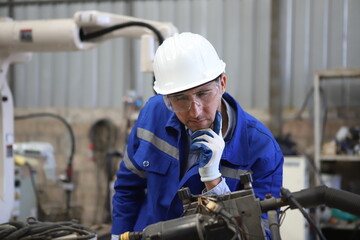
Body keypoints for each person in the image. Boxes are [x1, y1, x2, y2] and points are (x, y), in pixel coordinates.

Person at [111, 32, 283, 239]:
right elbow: (127, 189)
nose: (195, 111)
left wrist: (214, 182)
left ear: (223, 84)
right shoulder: (152, 115)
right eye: (180, 98)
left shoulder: (261, 149)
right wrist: (118, 235)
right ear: (166, 98)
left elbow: (260, 234)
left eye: (203, 94)